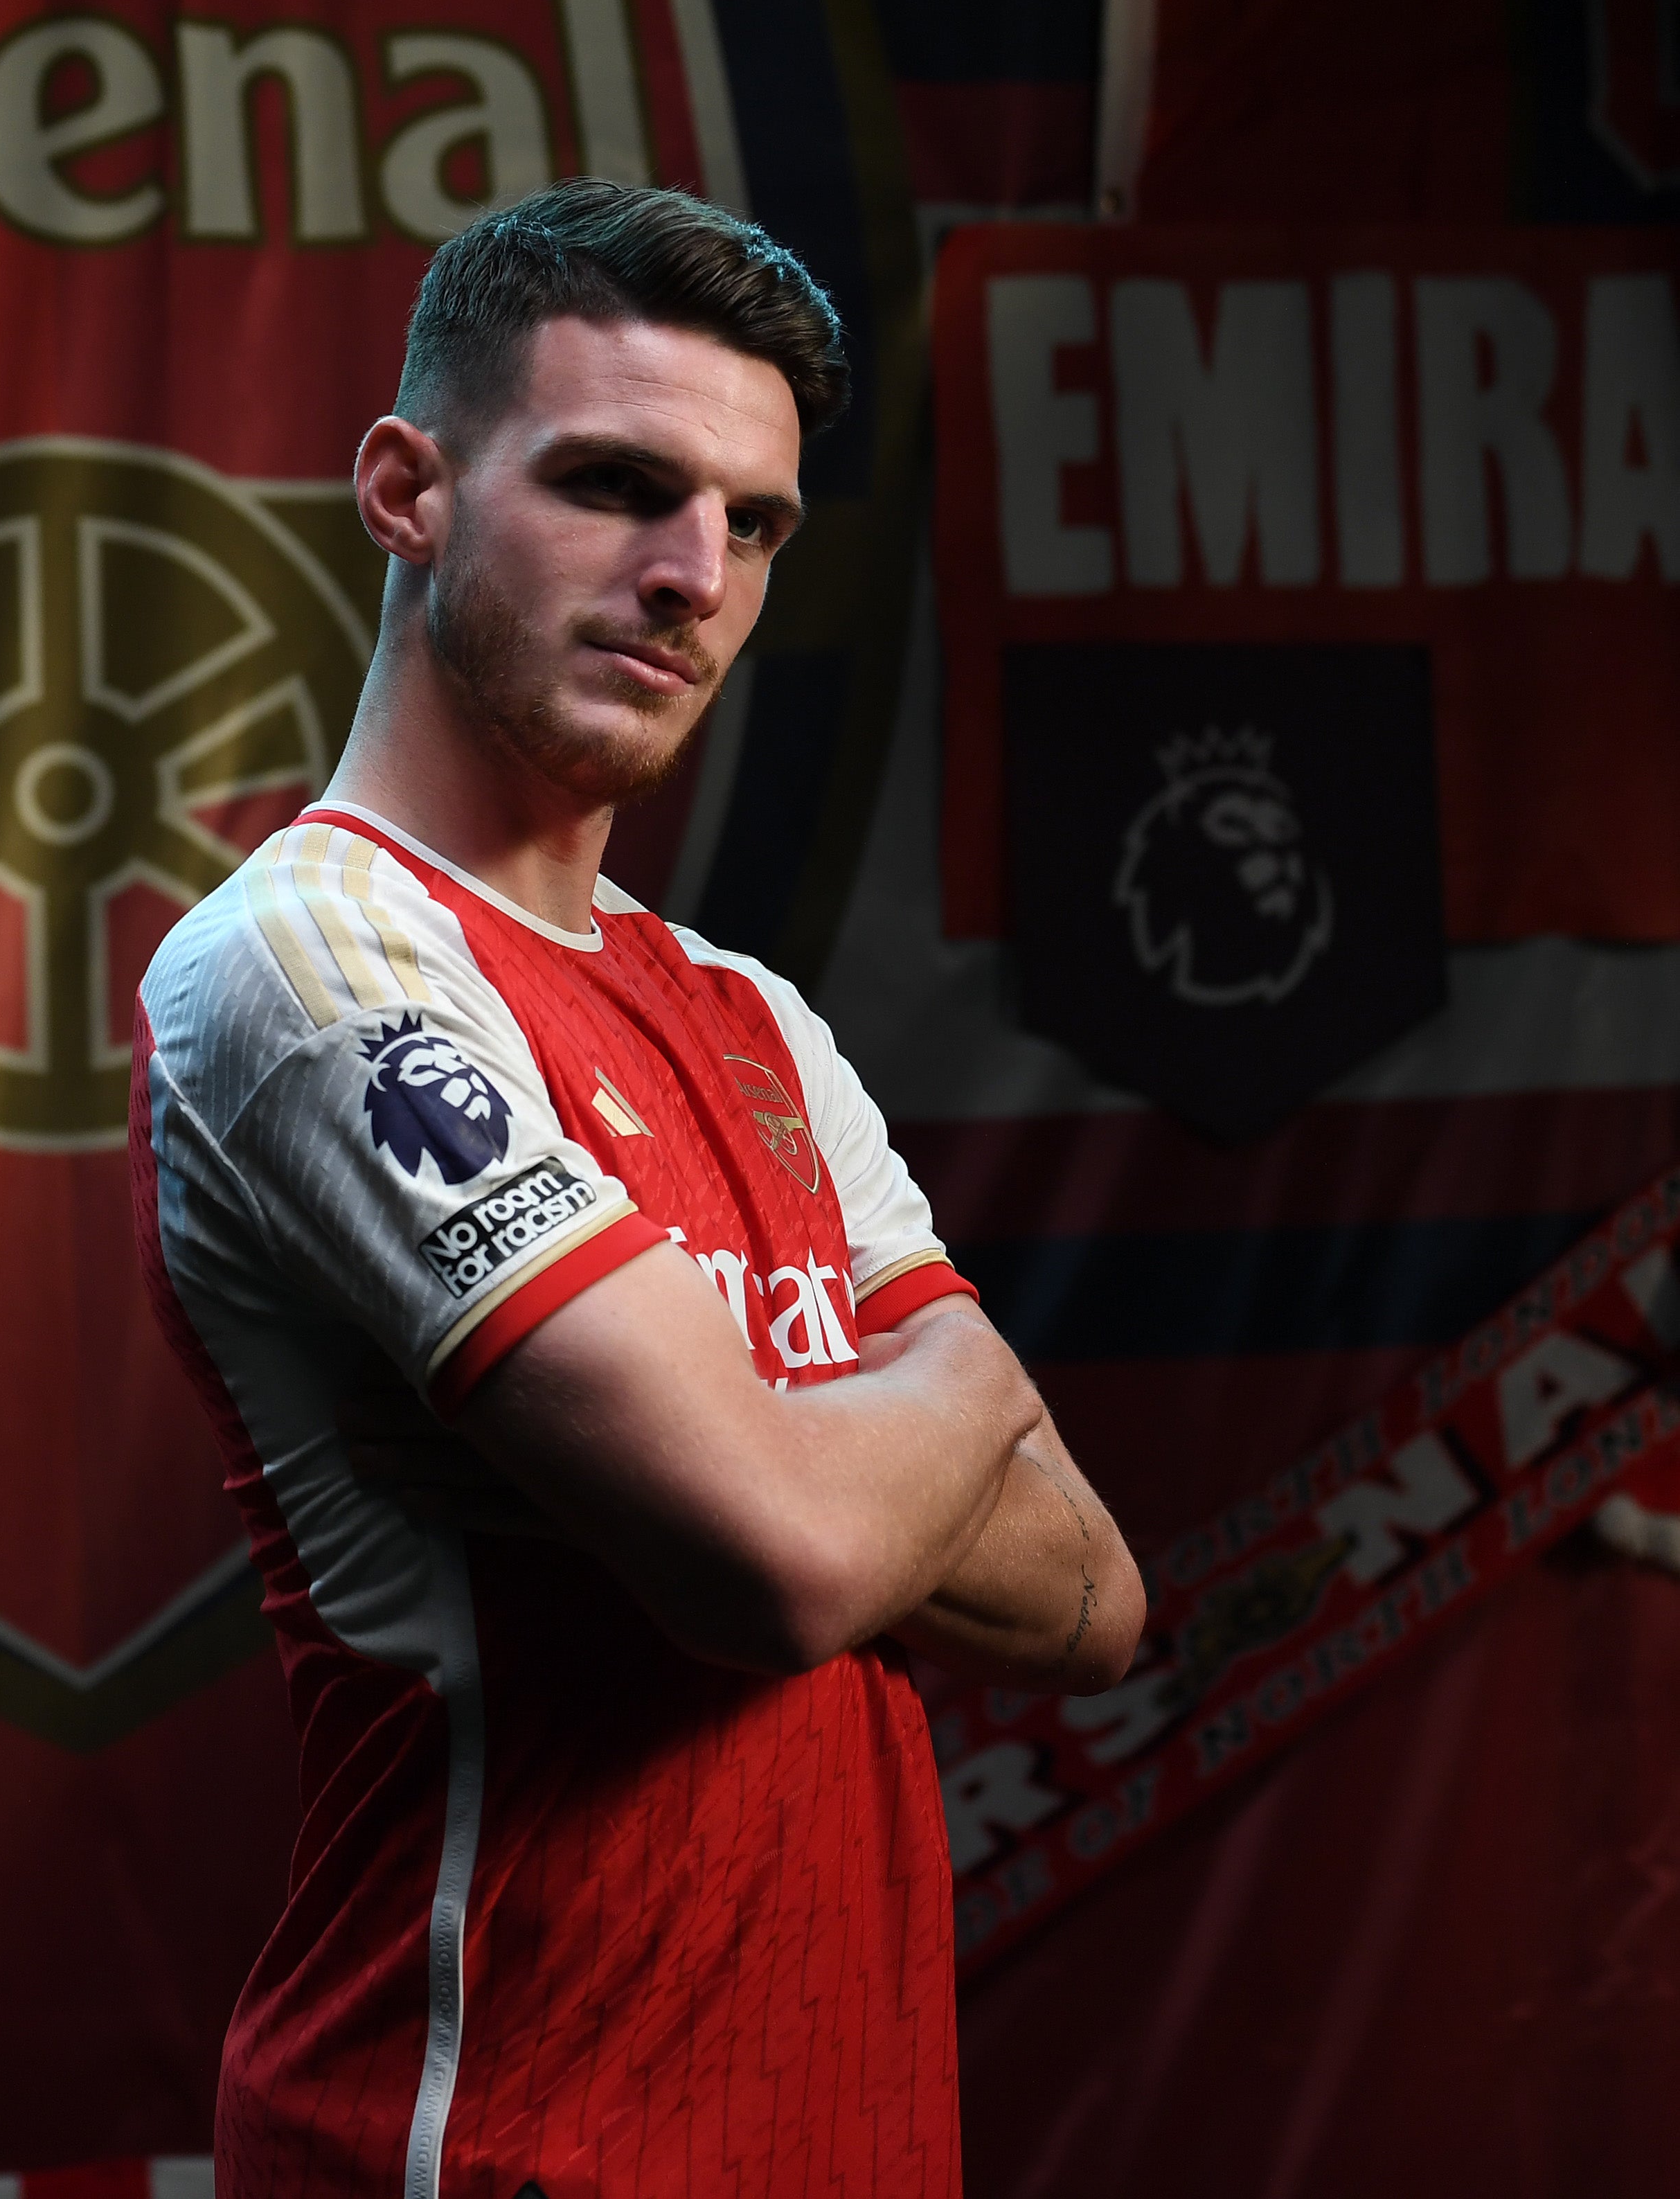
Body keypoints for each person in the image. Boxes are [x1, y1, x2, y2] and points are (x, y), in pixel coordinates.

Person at [129, 179, 1145, 2198]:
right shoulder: (317, 960)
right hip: (487, 2143)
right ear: (408, 490)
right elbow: (778, 1566)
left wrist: (767, 1452)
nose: (693, 574)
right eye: (614, 482)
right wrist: (939, 1394)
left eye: (754, 521)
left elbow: (1094, 1595)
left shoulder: (751, 1017)